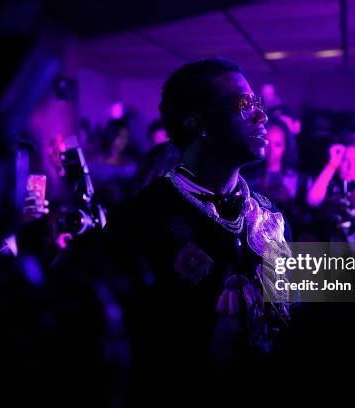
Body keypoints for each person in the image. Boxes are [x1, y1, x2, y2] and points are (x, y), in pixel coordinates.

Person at [106, 58, 292, 401]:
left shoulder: (270, 216)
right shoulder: (143, 218)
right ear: (198, 122)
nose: (261, 116)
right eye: (244, 104)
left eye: (258, 105)